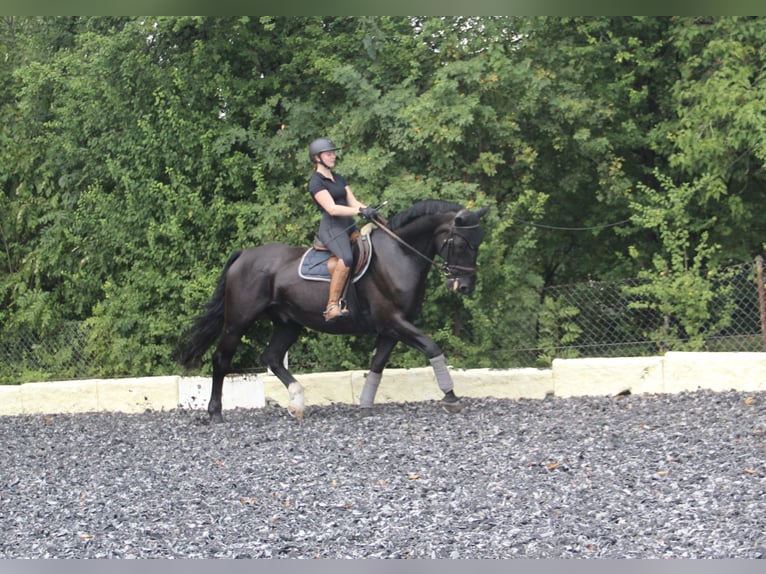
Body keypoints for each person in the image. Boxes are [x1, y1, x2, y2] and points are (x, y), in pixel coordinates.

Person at [307, 137, 379, 322]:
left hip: (348, 225)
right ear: (317, 158)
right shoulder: (316, 182)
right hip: (332, 227)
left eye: (333, 153)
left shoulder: (338, 178)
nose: (334, 156)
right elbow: (332, 208)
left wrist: (371, 212)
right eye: (329, 153)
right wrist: (359, 210)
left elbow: (353, 202)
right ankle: (332, 305)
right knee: (346, 258)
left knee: (371, 248)